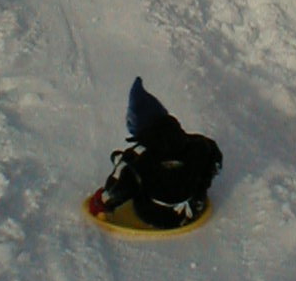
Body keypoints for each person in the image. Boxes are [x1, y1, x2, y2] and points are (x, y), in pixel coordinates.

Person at [88, 77, 223, 229]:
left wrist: (102, 202)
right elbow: (215, 159)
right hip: (193, 207)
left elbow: (122, 187)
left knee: (133, 175)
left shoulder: (138, 158)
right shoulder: (196, 142)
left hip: (159, 215)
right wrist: (202, 185)